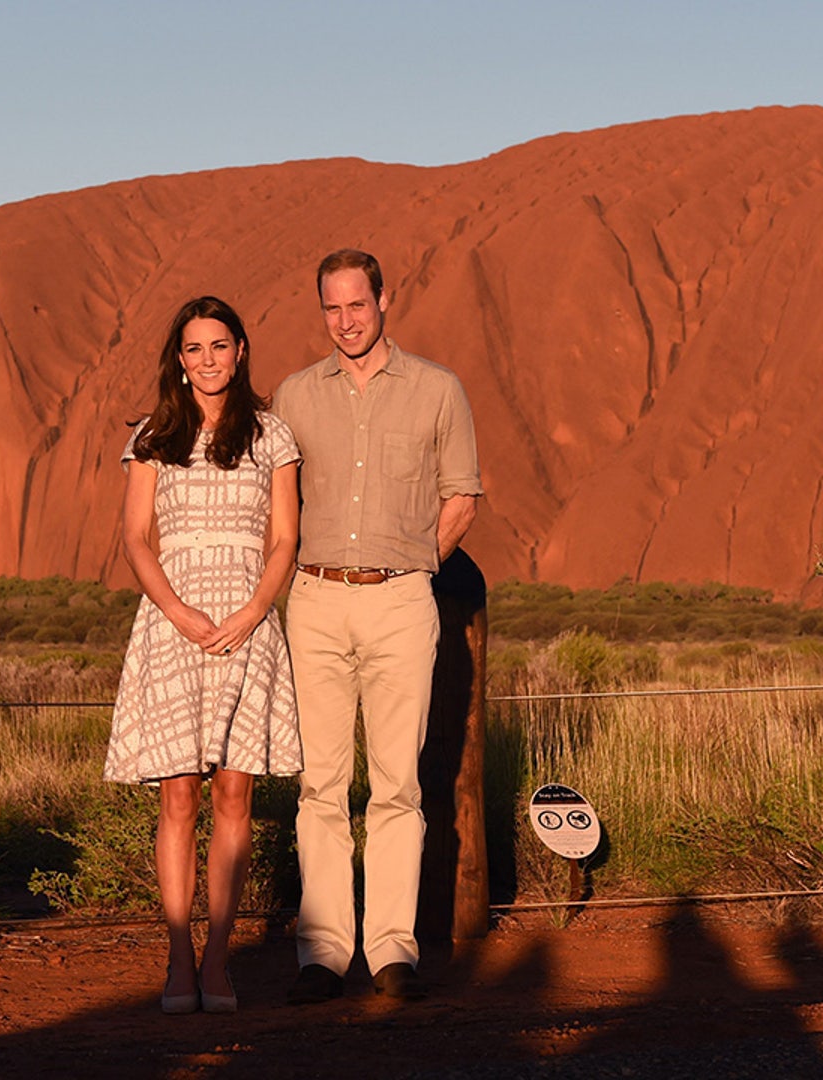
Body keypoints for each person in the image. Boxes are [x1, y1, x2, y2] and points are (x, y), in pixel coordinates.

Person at [274, 249, 483, 1003]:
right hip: (318, 599)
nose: (345, 322)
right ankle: (323, 952)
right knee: (321, 784)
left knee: (397, 784)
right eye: (331, 308)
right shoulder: (295, 396)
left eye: (356, 305)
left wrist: (413, 563)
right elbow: (278, 504)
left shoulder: (436, 390)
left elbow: (461, 494)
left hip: (400, 600)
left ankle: (392, 948)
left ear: (384, 300)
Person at [104, 295, 303, 1015]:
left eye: (220, 345)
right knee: (179, 795)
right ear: (178, 360)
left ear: (241, 351)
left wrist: (253, 611)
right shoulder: (154, 435)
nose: (208, 359)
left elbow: (284, 538)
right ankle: (178, 956)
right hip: (172, 624)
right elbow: (135, 539)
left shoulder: (273, 436)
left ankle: (220, 957)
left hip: (248, 626)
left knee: (233, 795)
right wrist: (178, 610)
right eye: (194, 348)